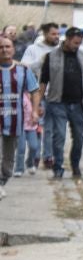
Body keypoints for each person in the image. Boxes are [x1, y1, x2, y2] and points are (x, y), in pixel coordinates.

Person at [39, 27, 83, 181]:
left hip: (78, 104)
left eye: (79, 43)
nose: (77, 46)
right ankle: (58, 168)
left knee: (79, 137)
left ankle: (75, 165)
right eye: (75, 42)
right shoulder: (51, 56)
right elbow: (43, 81)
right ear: (67, 39)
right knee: (59, 136)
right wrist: (38, 103)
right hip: (57, 102)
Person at [0, 35, 41, 197]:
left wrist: (35, 110)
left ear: (13, 49)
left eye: (7, 46)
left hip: (15, 121)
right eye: (1, 47)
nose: (4, 50)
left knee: (9, 157)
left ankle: (2, 181)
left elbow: (35, 91)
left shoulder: (23, 70)